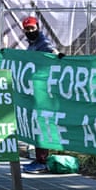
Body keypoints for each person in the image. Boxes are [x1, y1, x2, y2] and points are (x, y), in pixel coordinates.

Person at [21, 16, 59, 173]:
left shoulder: (43, 44)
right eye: (27, 29)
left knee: (41, 124)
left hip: (44, 91)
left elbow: (52, 53)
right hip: (35, 90)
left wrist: (56, 55)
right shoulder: (32, 45)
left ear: (38, 27)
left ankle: (42, 160)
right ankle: (39, 159)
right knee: (37, 125)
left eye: (32, 28)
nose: (30, 31)